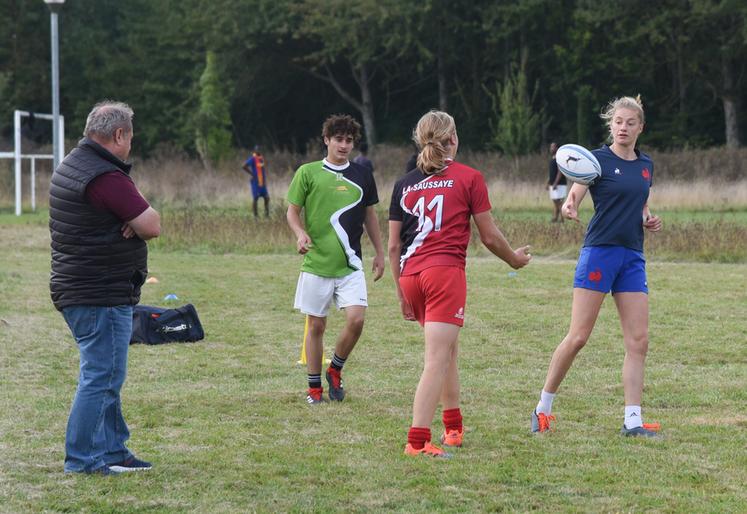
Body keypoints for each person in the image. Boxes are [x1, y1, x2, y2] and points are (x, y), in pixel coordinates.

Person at [388, 110, 532, 457]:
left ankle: (453, 428)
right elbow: (490, 236)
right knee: (436, 359)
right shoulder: (469, 177)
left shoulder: (403, 183)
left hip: (410, 276)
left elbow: (394, 246)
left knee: (448, 352)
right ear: (452, 139)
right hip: (444, 274)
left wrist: (400, 293)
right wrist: (514, 258)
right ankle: (417, 441)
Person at [531, 96, 663, 437]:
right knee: (578, 337)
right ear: (611, 124)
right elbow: (574, 196)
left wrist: (648, 219)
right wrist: (569, 208)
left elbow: (642, 203)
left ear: (640, 128)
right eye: (618, 121)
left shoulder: (646, 165)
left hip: (632, 257)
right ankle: (542, 408)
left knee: (639, 341)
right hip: (599, 254)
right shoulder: (595, 161)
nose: (623, 127)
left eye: (630, 123)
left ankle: (632, 420)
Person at [49, 101, 161, 474]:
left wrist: (127, 216)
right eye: (130, 137)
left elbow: (135, 218)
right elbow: (152, 224)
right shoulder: (105, 176)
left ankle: (114, 451)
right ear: (118, 135)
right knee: (102, 377)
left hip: (80, 288)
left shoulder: (72, 164)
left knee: (105, 373)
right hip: (100, 292)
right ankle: (82, 460)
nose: (131, 145)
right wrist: (131, 217)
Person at [286, 114, 385, 404]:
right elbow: (292, 212)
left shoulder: (362, 175)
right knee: (316, 326)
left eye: (349, 140)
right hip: (317, 263)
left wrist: (380, 252)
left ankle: (336, 369)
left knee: (356, 320)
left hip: (351, 264)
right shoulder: (307, 172)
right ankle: (314, 388)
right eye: (338, 139)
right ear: (326, 140)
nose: (343, 145)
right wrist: (299, 233)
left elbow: (370, 215)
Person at [242, 146, 270, 218]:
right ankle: (256, 216)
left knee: (266, 197)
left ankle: (266, 214)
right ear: (254, 151)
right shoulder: (253, 159)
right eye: (257, 150)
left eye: (259, 149)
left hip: (262, 182)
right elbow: (244, 166)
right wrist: (252, 174)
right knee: (256, 198)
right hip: (255, 182)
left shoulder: (261, 159)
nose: (258, 151)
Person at [547, 142, 567, 222]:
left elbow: (560, 172)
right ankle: (556, 217)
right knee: (555, 201)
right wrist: (548, 182)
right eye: (551, 147)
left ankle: (561, 218)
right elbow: (552, 173)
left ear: (557, 148)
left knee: (558, 201)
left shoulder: (559, 158)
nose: (551, 148)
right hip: (553, 184)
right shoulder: (552, 159)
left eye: (553, 147)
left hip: (560, 184)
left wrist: (555, 183)